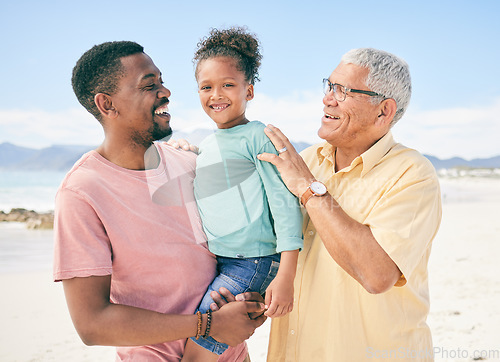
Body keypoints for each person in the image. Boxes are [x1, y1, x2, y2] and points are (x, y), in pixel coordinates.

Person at [52, 40, 266, 361]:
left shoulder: (191, 162)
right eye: (150, 85)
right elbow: (92, 325)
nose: (166, 92)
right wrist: (207, 325)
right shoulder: (82, 193)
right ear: (107, 105)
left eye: (162, 81)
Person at [257, 48, 442, 361]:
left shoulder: (413, 174)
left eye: (343, 91)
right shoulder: (306, 161)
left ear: (383, 111)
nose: (328, 99)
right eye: (329, 86)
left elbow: (377, 274)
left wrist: (308, 190)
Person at [181, 27, 303, 361]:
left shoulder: (258, 137)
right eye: (206, 87)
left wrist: (286, 275)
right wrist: (184, 151)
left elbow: (285, 205)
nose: (216, 94)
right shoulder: (206, 144)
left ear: (248, 91)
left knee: (199, 349)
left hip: (253, 262)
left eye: (228, 85)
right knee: (222, 347)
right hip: (221, 260)